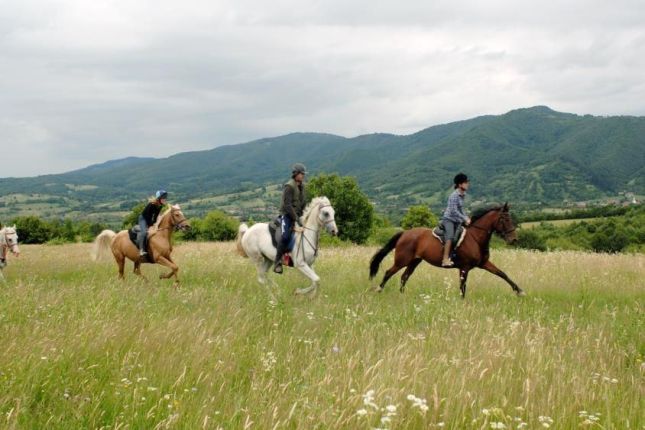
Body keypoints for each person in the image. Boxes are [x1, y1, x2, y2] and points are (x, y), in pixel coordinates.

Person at [274, 163, 307, 274]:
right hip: (286, 215)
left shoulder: (302, 186)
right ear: (295, 174)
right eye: (301, 173)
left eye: (303, 174)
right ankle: (277, 263)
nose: (303, 175)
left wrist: (303, 217)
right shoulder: (289, 186)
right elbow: (287, 205)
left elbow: (302, 203)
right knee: (285, 236)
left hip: (297, 216)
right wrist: (296, 218)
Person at [441, 173, 471, 267]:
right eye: (465, 182)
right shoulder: (454, 195)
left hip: (457, 220)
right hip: (448, 220)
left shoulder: (463, 194)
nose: (467, 184)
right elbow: (454, 211)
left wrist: (466, 218)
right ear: (460, 185)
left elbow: (461, 209)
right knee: (450, 236)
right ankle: (445, 259)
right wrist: (464, 218)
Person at [137, 190, 168, 257]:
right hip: (143, 219)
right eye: (163, 198)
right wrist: (151, 225)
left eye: (165, 198)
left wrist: (155, 224)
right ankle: (141, 250)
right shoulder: (151, 204)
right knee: (144, 232)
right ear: (159, 199)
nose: (165, 199)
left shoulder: (160, 206)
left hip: (148, 219)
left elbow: (155, 217)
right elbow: (147, 216)